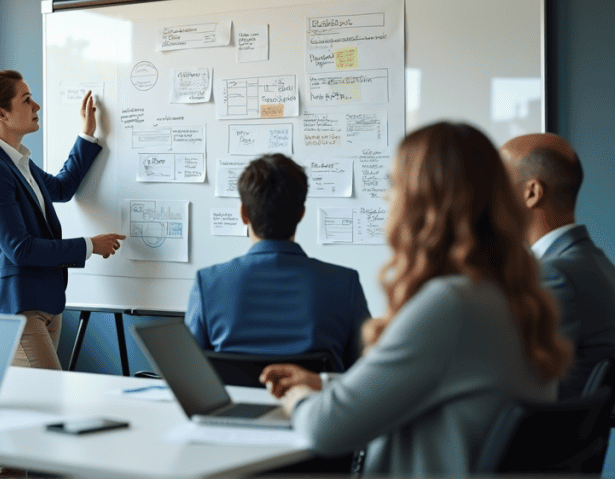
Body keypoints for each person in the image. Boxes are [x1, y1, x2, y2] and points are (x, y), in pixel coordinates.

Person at [260, 122, 571, 476]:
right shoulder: (510, 296)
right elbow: (437, 382)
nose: (386, 197)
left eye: (394, 184)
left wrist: (296, 399)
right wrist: (324, 385)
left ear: (422, 202)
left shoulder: (451, 304)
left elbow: (324, 429)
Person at [0, 70, 124, 371]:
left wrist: (87, 134)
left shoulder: (14, 162)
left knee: (39, 403)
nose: (36, 107)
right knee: (50, 400)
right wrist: (90, 246)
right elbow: (21, 250)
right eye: (27, 100)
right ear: (1, 113)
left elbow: (62, 188)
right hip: (14, 308)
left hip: (42, 303)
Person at [185, 153, 369, 371]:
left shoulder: (207, 283)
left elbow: (190, 371)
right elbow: (365, 374)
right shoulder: (344, 284)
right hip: (314, 404)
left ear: (244, 214)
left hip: (237, 405)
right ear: (301, 214)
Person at [500, 133, 615, 397]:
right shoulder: (596, 264)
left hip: (536, 435)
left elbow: (503, 373)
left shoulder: (554, 276)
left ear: (532, 193)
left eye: (498, 183)